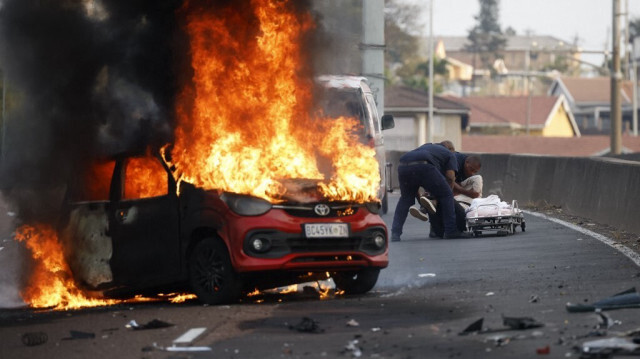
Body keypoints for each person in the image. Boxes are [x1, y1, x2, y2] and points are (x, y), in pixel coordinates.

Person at [391, 143, 472, 241]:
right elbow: (450, 178)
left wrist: (420, 200)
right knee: (446, 195)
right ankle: (451, 231)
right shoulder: (450, 154)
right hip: (424, 166)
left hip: (403, 166)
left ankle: (395, 233)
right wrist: (446, 193)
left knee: (405, 199)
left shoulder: (426, 147)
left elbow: (414, 184)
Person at [421, 153, 483, 238]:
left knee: (441, 201)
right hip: (438, 176)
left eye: (475, 172)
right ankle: (435, 224)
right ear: (467, 162)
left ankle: (429, 205)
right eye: (471, 169)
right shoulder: (455, 162)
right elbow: (449, 179)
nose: (472, 173)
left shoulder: (466, 171)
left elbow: (473, 193)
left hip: (437, 178)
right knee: (443, 199)